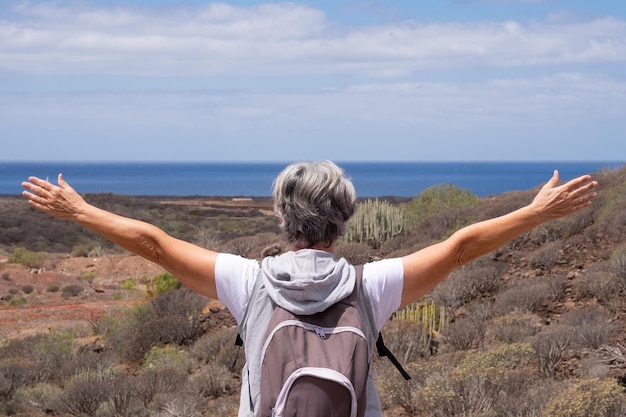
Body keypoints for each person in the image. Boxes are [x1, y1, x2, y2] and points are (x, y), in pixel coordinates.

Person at [21, 161, 598, 417]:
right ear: (345, 219)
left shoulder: (246, 283)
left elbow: (153, 243)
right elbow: (460, 246)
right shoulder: (373, 287)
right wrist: (536, 213)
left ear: (280, 219)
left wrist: (80, 212)